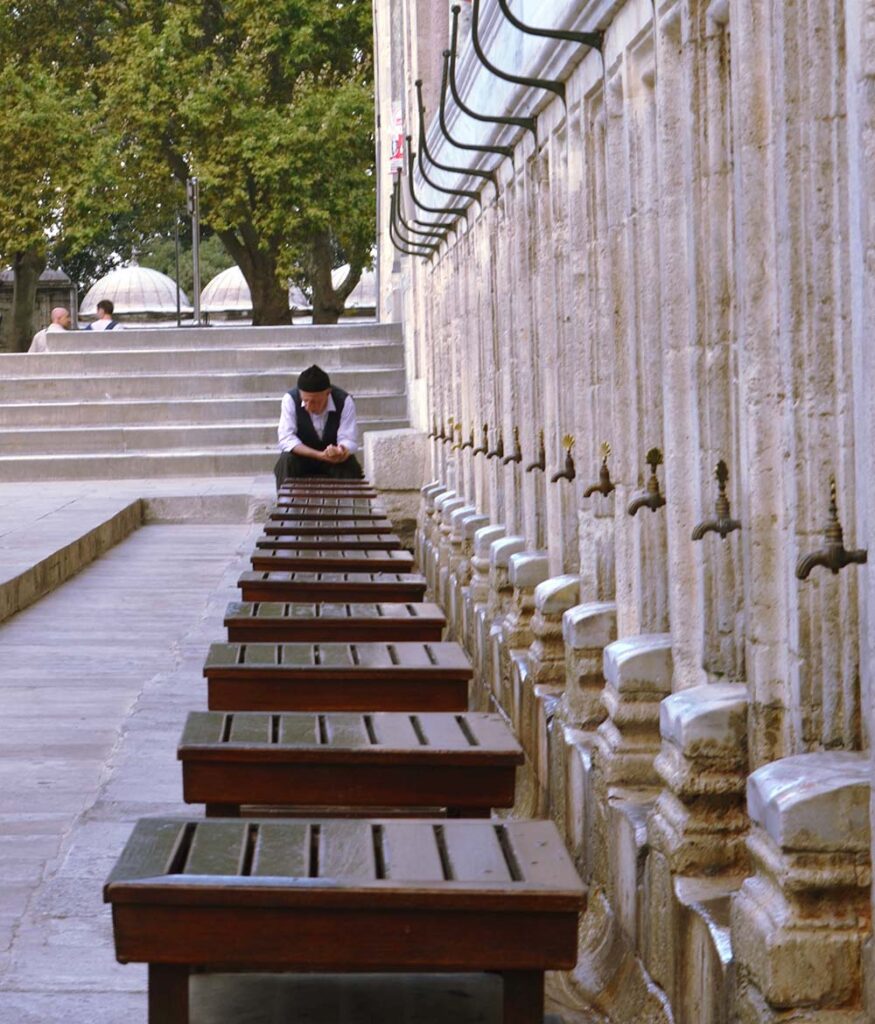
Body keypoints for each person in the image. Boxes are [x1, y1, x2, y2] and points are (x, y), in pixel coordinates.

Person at [274, 364, 364, 490]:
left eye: (315, 402)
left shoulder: (344, 401)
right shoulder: (290, 400)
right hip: (302, 458)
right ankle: (286, 507)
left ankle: (353, 507)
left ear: (328, 393)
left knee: (350, 465)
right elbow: (286, 438)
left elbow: (349, 438)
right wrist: (318, 454)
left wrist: (340, 450)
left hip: (332, 459)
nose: (309, 407)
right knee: (286, 461)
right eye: (305, 401)